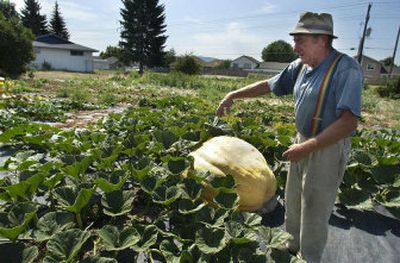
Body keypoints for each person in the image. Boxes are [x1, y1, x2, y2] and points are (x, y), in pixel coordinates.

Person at [216, 12, 363, 263]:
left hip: (327, 147)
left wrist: (308, 147)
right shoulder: (301, 67)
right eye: (294, 40)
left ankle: (309, 257)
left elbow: (349, 122)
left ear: (322, 40)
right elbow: (269, 85)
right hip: (302, 140)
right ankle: (292, 246)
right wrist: (233, 94)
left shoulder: (346, 69)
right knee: (293, 199)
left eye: (300, 41)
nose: (294, 48)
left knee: (315, 208)